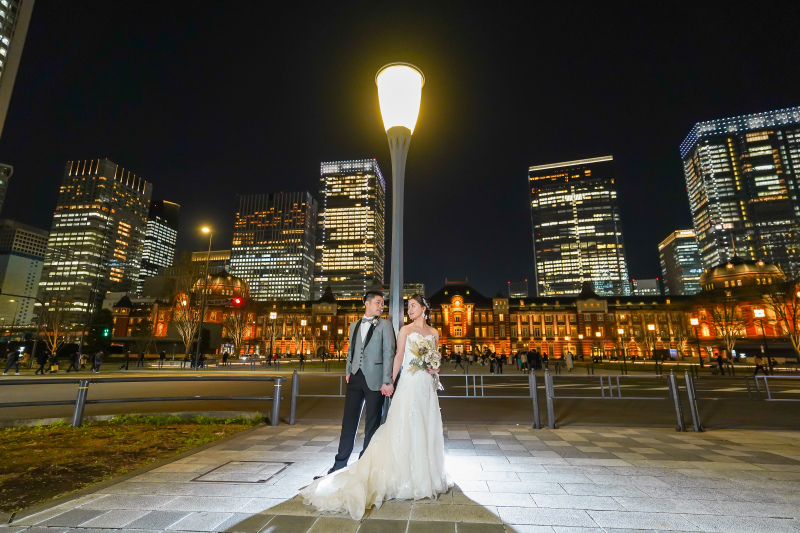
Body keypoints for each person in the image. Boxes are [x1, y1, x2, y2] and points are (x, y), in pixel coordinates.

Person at [301, 293, 450, 519]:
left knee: (423, 425)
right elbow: (397, 356)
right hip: (405, 382)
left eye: (413, 306)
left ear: (424, 308)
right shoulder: (403, 330)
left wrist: (435, 368)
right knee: (391, 424)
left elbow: (432, 357)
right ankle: (344, 464)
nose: (409, 310)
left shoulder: (433, 333)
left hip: (425, 386)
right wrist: (389, 380)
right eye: (408, 306)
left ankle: (423, 474)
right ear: (367, 303)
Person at [315, 290, 396, 478]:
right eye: (378, 302)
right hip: (355, 377)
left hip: (375, 379)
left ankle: (365, 464)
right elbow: (351, 350)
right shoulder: (354, 325)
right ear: (366, 303)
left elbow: (389, 353)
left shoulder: (385, 325)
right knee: (348, 422)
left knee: (372, 424)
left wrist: (387, 380)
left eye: (382, 303)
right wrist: (348, 371)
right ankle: (339, 464)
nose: (381, 306)